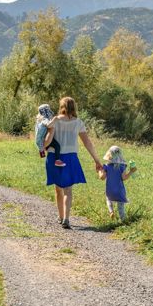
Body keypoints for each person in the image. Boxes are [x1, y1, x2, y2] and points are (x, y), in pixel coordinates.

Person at [44, 97, 102, 229]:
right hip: (70, 157)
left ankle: (60, 216)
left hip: (54, 156)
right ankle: (66, 218)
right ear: (74, 107)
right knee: (68, 189)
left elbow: (47, 140)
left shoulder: (55, 121)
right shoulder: (78, 123)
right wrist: (96, 160)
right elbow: (87, 143)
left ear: (61, 106)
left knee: (58, 188)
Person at [98, 146, 137, 221]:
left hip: (109, 190)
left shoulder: (106, 166)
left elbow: (102, 177)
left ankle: (111, 211)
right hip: (120, 191)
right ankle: (123, 220)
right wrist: (131, 171)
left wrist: (100, 170)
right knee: (121, 206)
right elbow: (124, 178)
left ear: (109, 155)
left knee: (108, 199)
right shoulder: (122, 166)